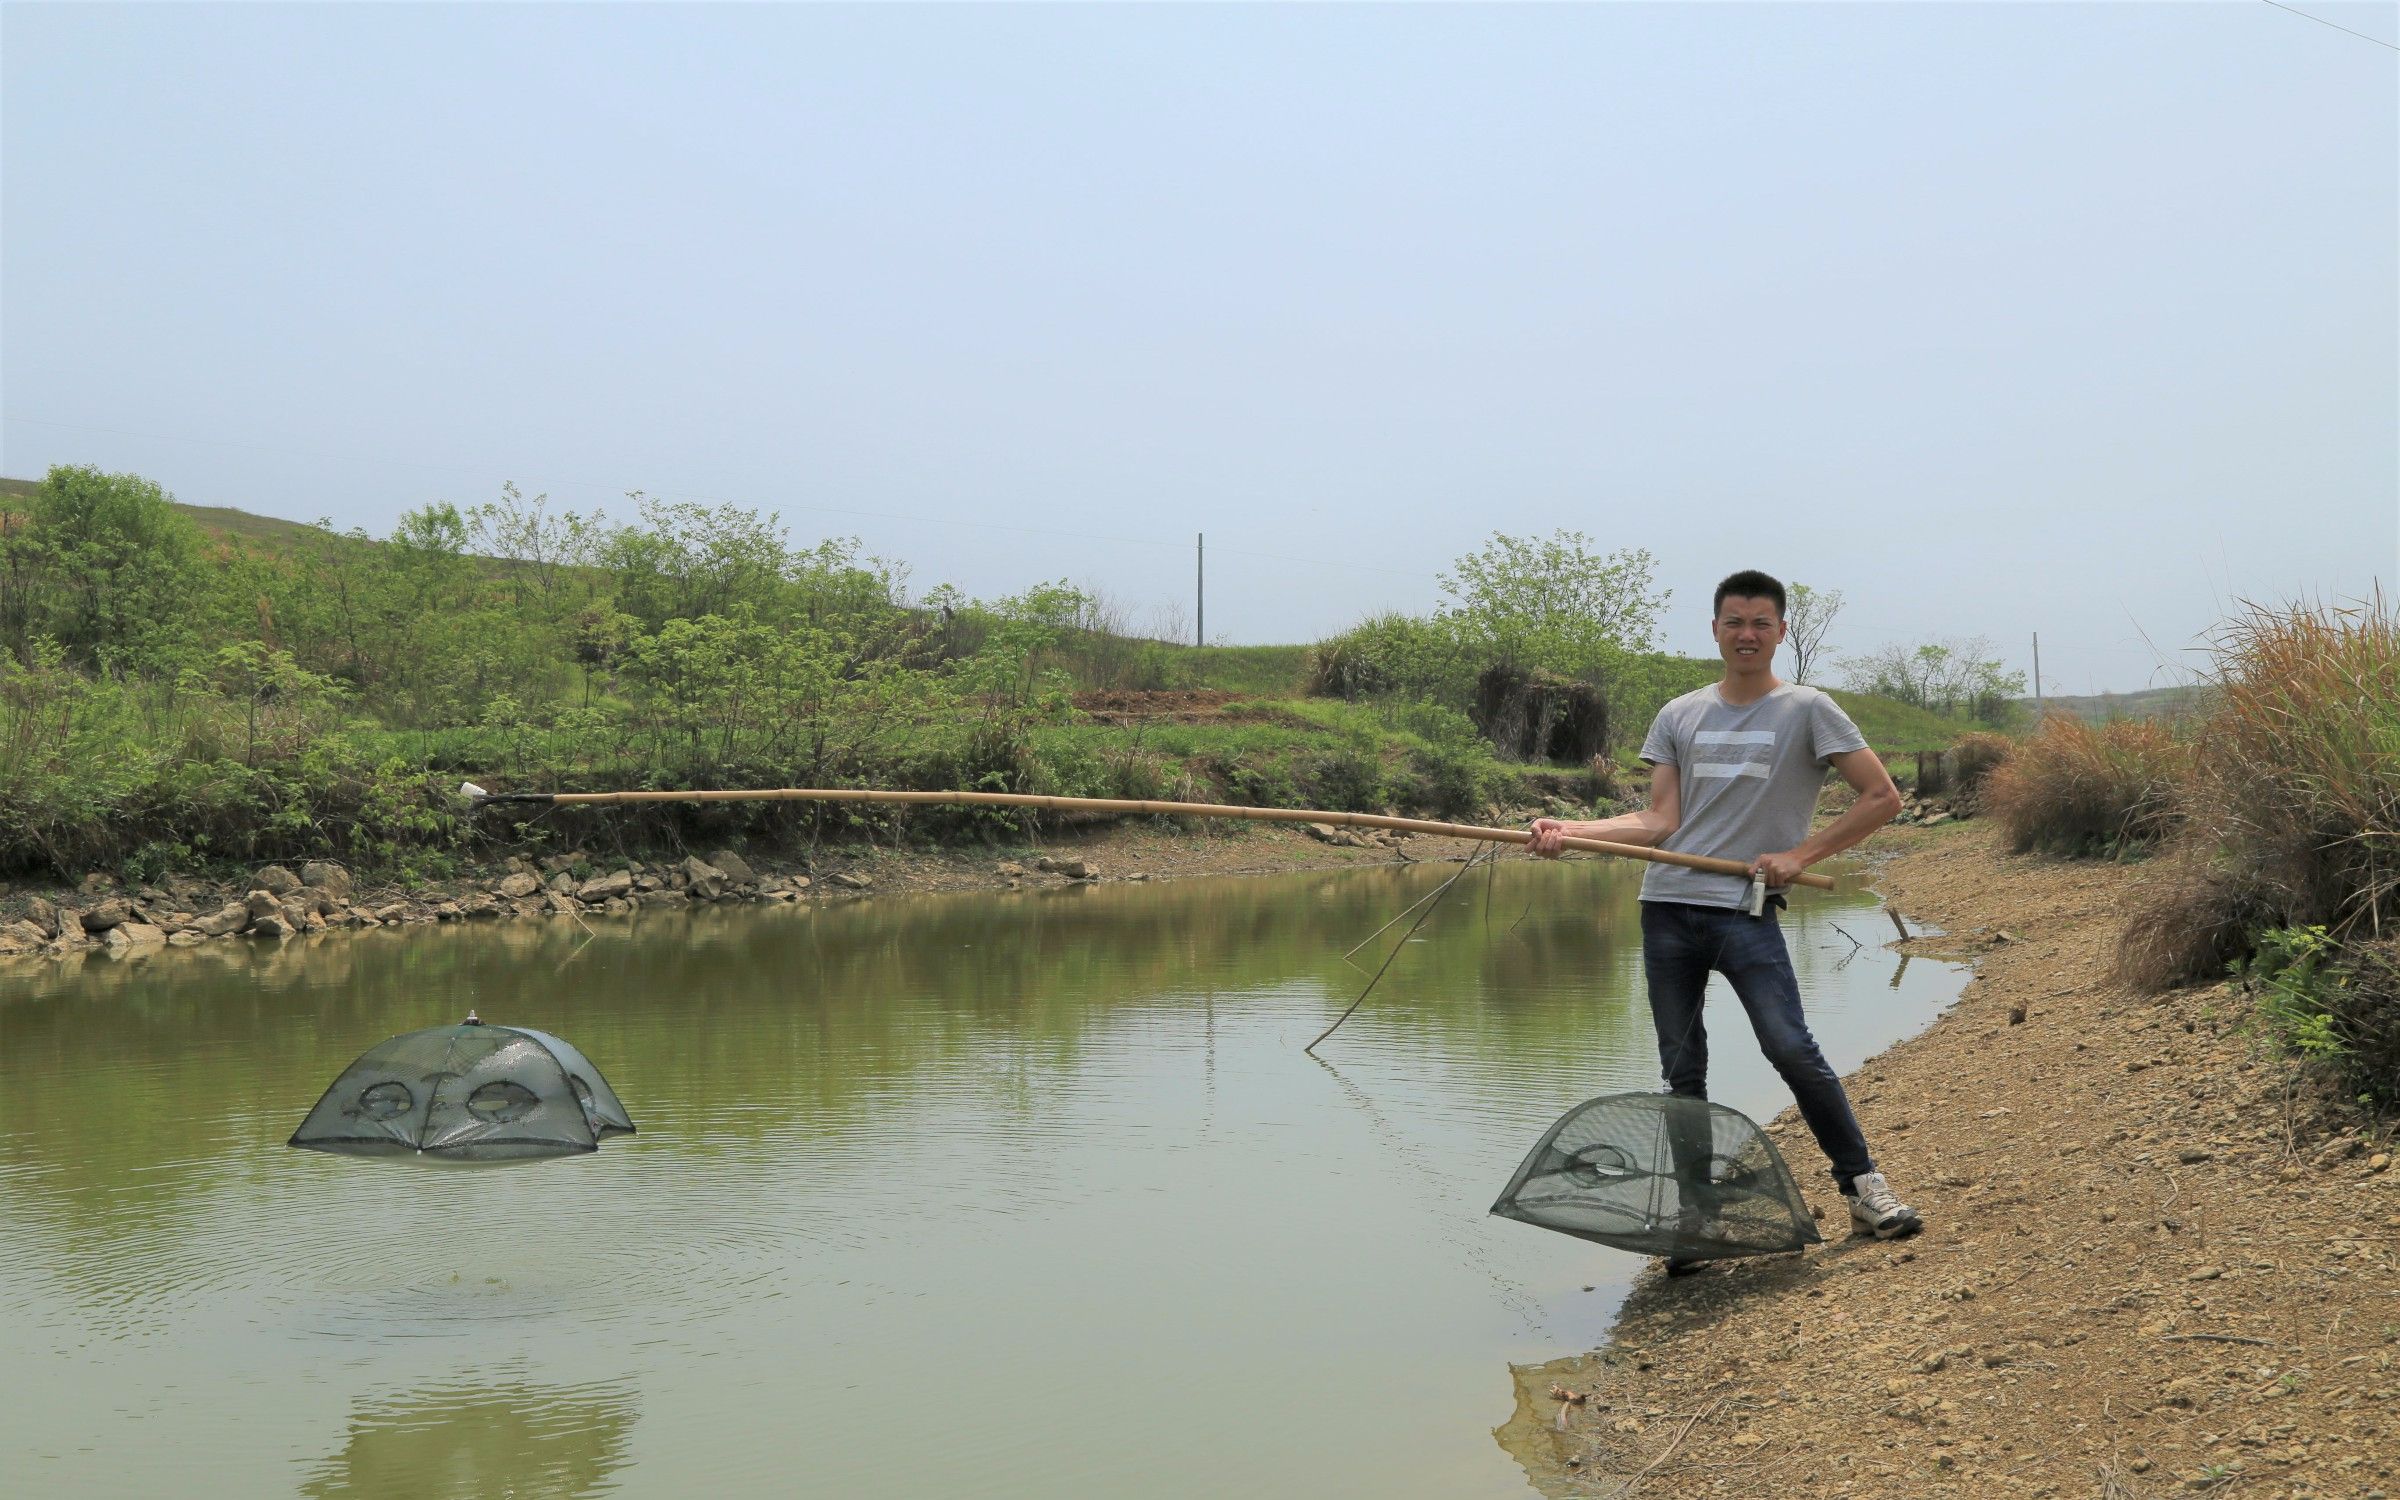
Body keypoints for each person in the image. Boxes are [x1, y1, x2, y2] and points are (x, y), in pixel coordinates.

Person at [1529, 569, 1922, 1251]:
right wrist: (1572, 834)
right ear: (1715, 630)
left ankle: (1863, 1189)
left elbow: (1882, 797)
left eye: (1760, 623)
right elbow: (1658, 822)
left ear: (1780, 632)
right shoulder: (1680, 714)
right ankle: (1697, 1219)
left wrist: (1803, 855)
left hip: (1744, 912)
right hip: (1667, 910)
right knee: (1683, 1070)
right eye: (1734, 622)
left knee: (1791, 1049)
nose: (1747, 634)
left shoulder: (1809, 709)